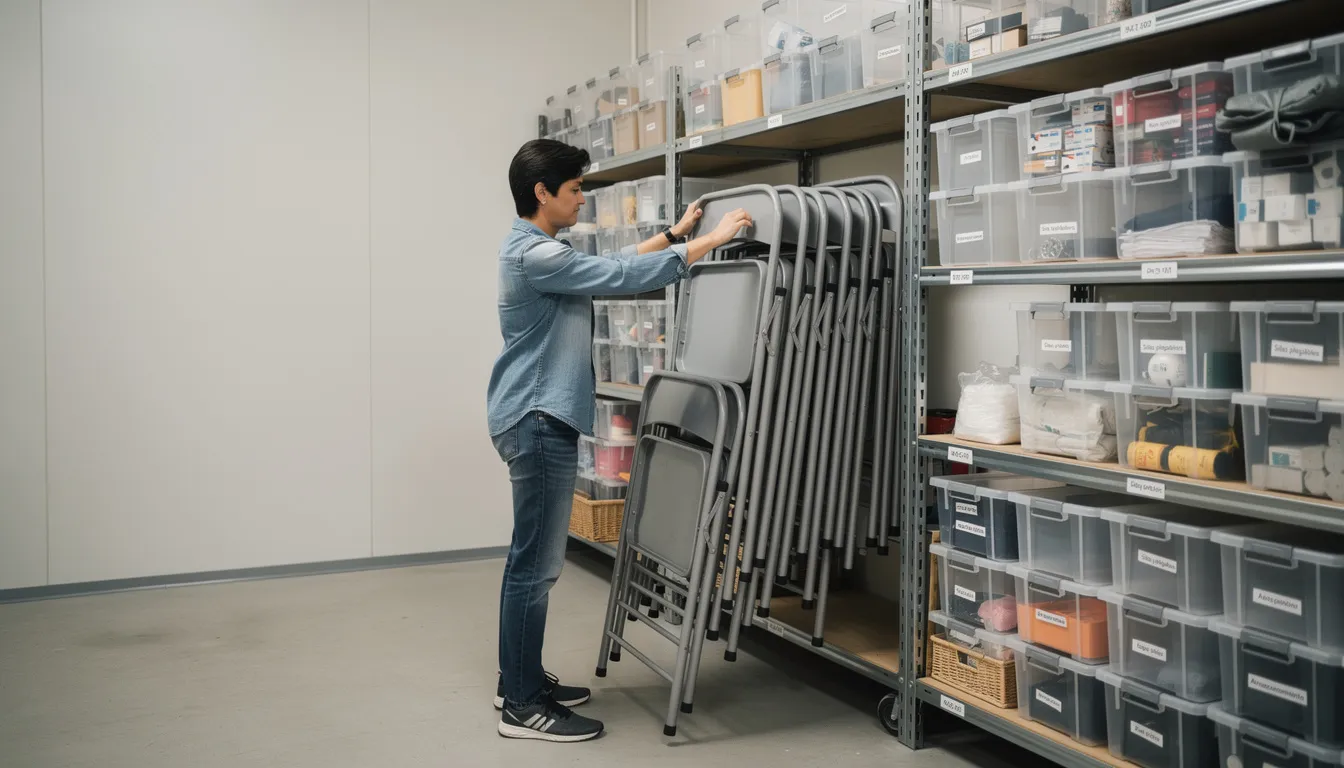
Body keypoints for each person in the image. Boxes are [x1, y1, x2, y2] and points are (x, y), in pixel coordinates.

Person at [486, 139, 752, 743]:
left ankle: (517, 682)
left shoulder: (538, 250)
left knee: (528, 560)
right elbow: (620, 275)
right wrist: (709, 241)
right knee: (537, 566)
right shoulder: (535, 255)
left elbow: (612, 262)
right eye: (575, 189)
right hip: (536, 418)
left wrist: (673, 234)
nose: (583, 200)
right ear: (542, 193)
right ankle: (522, 706)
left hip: (533, 416)